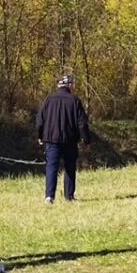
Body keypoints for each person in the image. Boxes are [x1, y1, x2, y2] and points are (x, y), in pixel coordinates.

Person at [35, 73, 94, 203]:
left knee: (51, 167)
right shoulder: (74, 100)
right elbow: (82, 123)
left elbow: (40, 120)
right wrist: (86, 139)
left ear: (58, 85)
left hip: (51, 140)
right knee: (69, 167)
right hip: (70, 140)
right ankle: (69, 196)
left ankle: (49, 196)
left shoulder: (49, 99)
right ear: (69, 85)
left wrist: (40, 136)